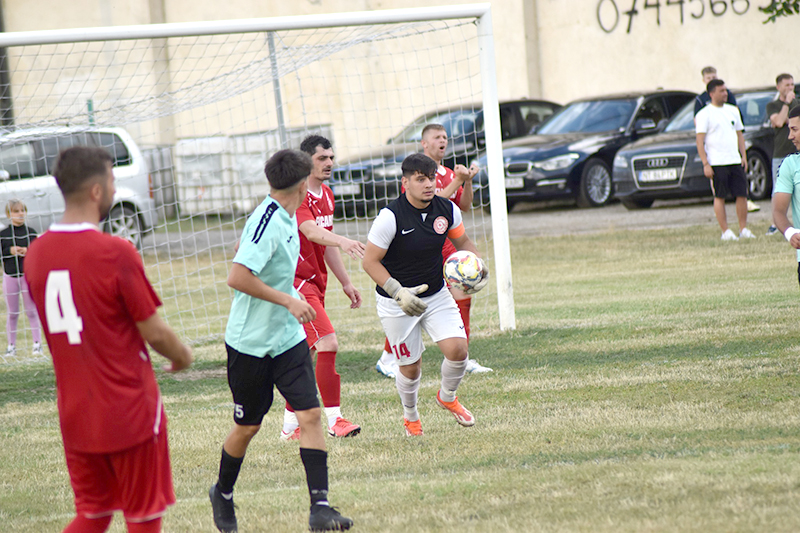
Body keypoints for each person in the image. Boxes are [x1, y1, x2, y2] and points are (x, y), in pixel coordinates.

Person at [24, 146, 193, 533]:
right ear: (97, 191)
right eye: (113, 181)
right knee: (142, 516)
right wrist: (182, 355)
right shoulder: (115, 251)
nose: (116, 190)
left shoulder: (36, 254)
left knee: (94, 513)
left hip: (75, 411)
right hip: (128, 407)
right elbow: (154, 332)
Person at [209, 149, 352, 533]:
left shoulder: (288, 214)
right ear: (303, 184)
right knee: (248, 426)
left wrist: (289, 294)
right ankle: (222, 493)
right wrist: (289, 299)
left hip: (287, 340)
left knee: (310, 415)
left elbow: (255, 256)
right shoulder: (268, 220)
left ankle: (320, 509)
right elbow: (237, 276)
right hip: (251, 344)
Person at [362, 152, 489, 436]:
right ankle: (411, 416)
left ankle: (448, 397)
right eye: (421, 179)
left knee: (458, 350)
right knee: (410, 368)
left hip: (436, 292)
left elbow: (463, 242)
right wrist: (398, 293)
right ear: (405, 182)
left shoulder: (447, 209)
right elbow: (369, 262)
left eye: (431, 178)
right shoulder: (390, 217)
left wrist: (477, 265)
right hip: (395, 301)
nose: (429, 184)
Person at [375, 124, 492, 378]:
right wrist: (458, 180)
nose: (443, 141)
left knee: (461, 296)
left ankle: (462, 355)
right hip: (419, 246)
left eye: (445, 137)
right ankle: (388, 356)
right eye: (437, 137)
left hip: (446, 244)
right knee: (411, 300)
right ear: (424, 143)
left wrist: (467, 182)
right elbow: (434, 201)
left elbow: (463, 206)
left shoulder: (448, 173)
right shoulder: (415, 173)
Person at [280, 135, 364, 441]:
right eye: (322, 158)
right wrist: (343, 240)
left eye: (331, 157)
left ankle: (290, 427)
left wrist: (345, 282)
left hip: (316, 282)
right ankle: (334, 420)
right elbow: (311, 231)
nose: (329, 163)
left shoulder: (327, 193)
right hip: (297, 284)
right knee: (328, 343)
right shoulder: (298, 194)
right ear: (306, 162)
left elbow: (325, 242)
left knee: (304, 355)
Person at [694, 67, 759, 213]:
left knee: (742, 194)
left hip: (734, 159)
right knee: (720, 195)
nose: (725, 93)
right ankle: (724, 227)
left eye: (725, 90)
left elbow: (740, 135)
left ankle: (743, 226)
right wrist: (705, 163)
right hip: (717, 161)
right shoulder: (703, 109)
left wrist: (743, 156)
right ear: (711, 93)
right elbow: (699, 140)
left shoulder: (732, 109)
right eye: (721, 91)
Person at [1, 199, 42, 357]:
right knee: (12, 313)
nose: (20, 214)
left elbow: (38, 253)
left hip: (27, 276)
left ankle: (37, 344)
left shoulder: (31, 232)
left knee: (31, 310)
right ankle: (11, 346)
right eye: (16, 211)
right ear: (9, 214)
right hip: (10, 276)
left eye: (22, 211)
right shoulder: (3, 234)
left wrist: (27, 251)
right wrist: (10, 251)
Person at [765, 73, 799, 236]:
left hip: (796, 153)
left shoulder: (797, 104)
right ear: (778, 87)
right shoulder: (773, 105)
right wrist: (786, 104)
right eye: (787, 85)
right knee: (779, 190)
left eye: (792, 84)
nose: (790, 88)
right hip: (781, 154)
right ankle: (776, 224)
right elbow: (779, 121)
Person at [771, 106, 800, 279]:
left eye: (794, 129)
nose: (790, 136)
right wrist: (790, 233)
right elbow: (778, 211)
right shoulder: (790, 165)